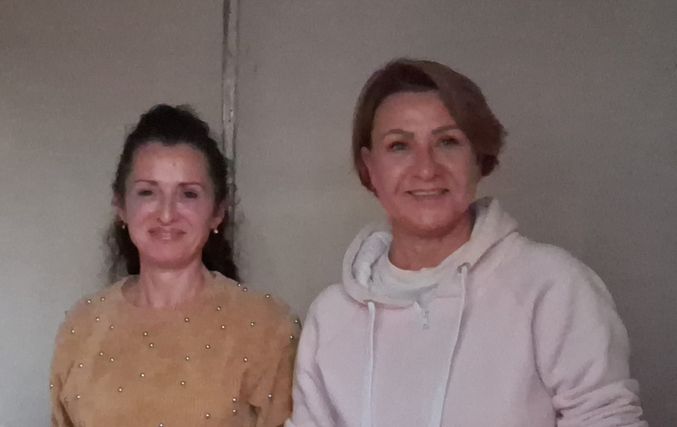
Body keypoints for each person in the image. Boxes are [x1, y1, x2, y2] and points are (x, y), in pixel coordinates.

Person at [286, 59, 647, 427]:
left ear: (478, 158)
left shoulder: (552, 286)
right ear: (369, 167)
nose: (426, 169)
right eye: (399, 146)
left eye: (448, 142)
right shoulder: (331, 316)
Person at [50, 105, 299, 427]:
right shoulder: (82, 326)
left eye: (189, 194)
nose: (167, 214)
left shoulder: (267, 328)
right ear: (121, 206)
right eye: (147, 192)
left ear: (217, 212)